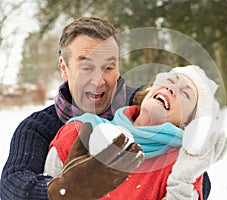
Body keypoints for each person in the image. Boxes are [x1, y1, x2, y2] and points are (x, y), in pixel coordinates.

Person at [0, 17, 144, 200]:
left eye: (108, 67)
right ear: (64, 68)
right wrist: (64, 190)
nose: (98, 81)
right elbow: (12, 185)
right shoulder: (37, 128)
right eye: (86, 67)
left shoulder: (144, 105)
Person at [44, 65, 227, 199]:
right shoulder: (81, 131)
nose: (171, 88)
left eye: (185, 94)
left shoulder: (182, 167)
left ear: (188, 122)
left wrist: (182, 180)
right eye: (170, 81)